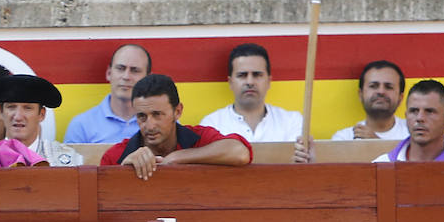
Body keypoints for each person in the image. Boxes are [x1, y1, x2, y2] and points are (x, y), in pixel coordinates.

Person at [0, 73, 82, 222]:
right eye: (11, 107)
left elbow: (74, 221)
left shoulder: (67, 161)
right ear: (2, 112)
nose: (18, 116)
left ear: (42, 115)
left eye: (27, 108)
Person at [100, 73, 252, 179]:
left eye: (157, 114)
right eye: (142, 116)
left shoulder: (199, 138)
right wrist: (123, 171)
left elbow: (240, 152)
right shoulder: (115, 156)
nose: (150, 125)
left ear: (177, 111)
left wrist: (177, 158)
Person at [200, 42, 311, 161]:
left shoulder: (292, 122)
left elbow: (301, 168)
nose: (250, 82)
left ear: (268, 81)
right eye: (242, 75)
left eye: (257, 75)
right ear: (230, 82)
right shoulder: (211, 125)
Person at [63, 43, 151, 143]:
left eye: (135, 70)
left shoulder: (159, 123)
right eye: (120, 69)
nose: (126, 76)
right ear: (109, 73)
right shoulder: (81, 126)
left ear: (147, 78)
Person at [374, 78, 444, 159]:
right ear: (406, 117)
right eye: (414, 111)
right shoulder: (381, 166)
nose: (419, 118)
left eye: (429, 111)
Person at [330, 60, 410, 139]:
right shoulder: (344, 138)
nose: (381, 91)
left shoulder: (413, 132)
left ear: (400, 97)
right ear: (361, 94)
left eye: (388, 87)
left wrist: (376, 143)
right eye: (373, 86)